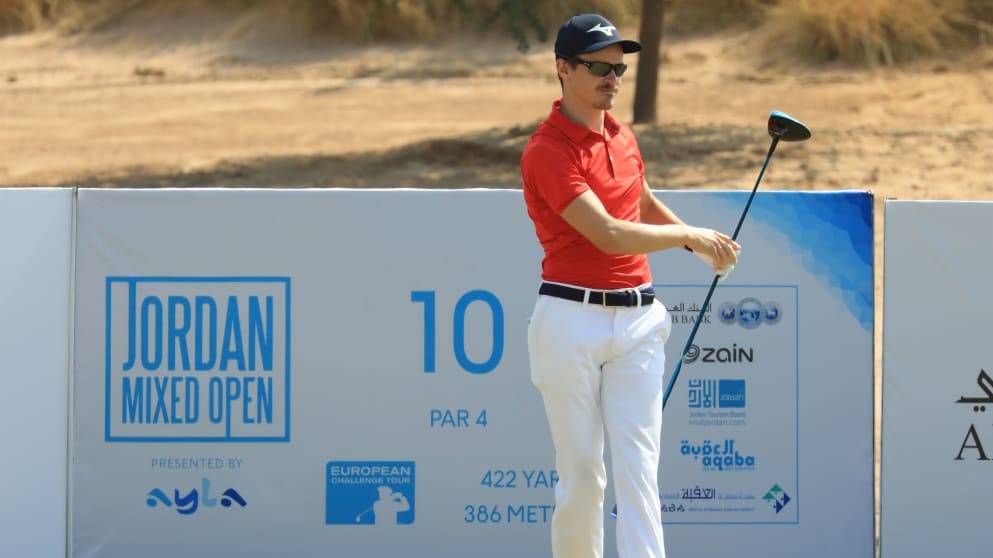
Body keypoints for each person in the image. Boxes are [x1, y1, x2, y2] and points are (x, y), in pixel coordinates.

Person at [520, 13, 740, 558]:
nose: (612, 77)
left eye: (619, 68)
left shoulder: (621, 134)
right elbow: (610, 234)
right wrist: (685, 233)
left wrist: (697, 243)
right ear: (563, 69)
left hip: (639, 318)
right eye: (598, 66)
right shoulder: (547, 151)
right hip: (570, 321)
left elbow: (637, 202)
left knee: (640, 470)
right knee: (583, 477)